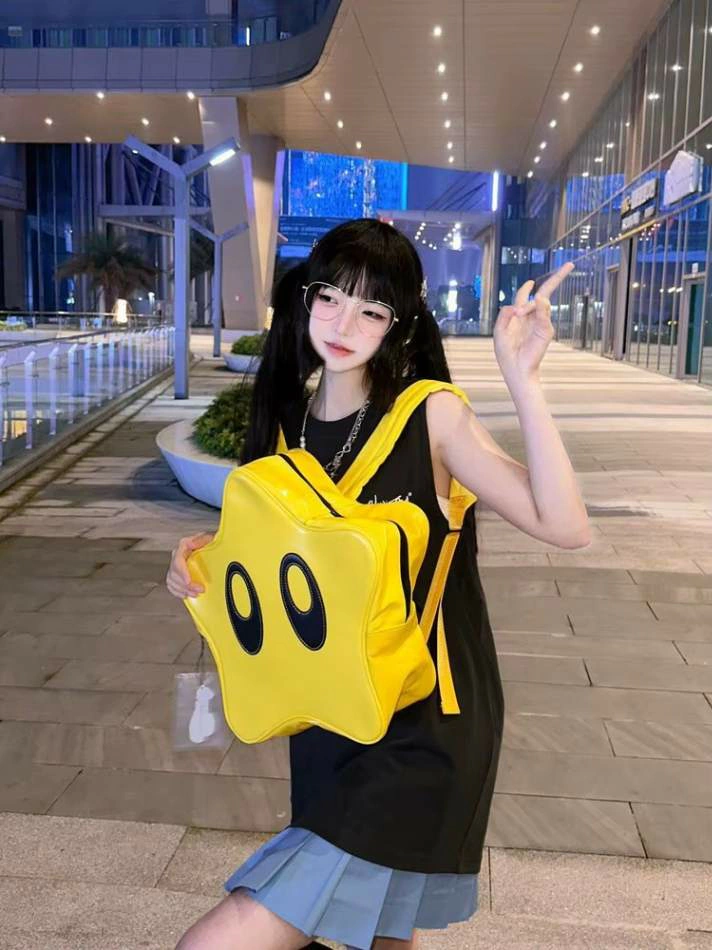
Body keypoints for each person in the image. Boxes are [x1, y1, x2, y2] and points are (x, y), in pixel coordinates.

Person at [166, 219, 588, 950]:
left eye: (371, 310)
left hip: (422, 727)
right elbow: (269, 569)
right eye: (331, 298)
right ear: (306, 299)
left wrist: (525, 383)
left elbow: (565, 524)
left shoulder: (431, 415)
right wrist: (194, 562)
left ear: (398, 323)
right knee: (379, 936)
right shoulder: (285, 425)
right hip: (327, 721)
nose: (344, 325)